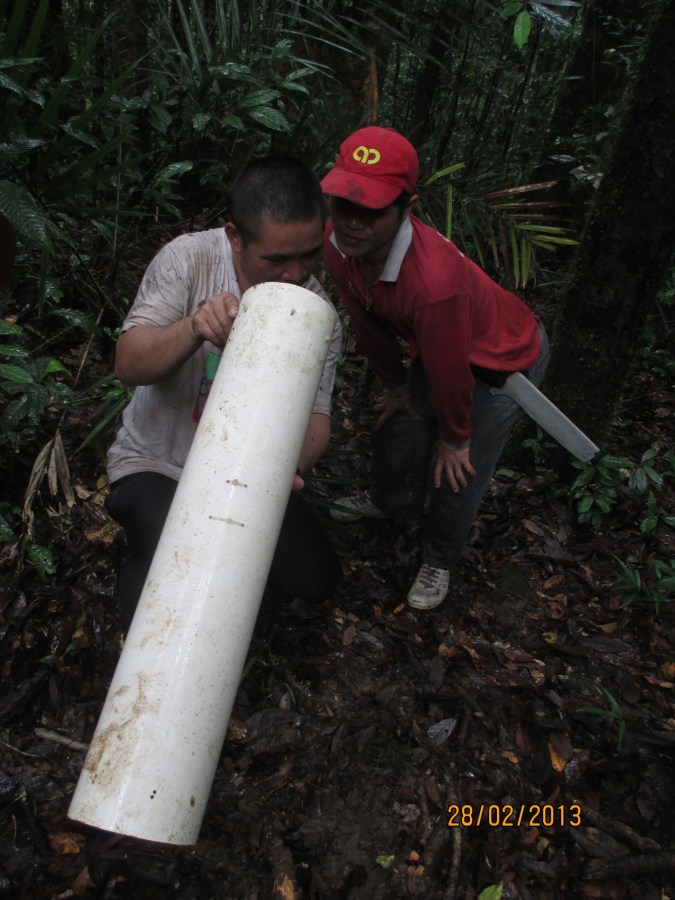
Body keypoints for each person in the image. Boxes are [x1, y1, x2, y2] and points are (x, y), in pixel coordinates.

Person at [105, 156, 343, 634]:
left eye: (310, 254)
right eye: (276, 259)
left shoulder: (317, 313)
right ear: (235, 237)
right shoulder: (190, 259)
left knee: (314, 579)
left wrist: (287, 466)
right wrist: (194, 327)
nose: (296, 274)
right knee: (159, 600)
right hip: (157, 465)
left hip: (246, 481)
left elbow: (317, 421)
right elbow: (129, 364)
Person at [321, 126, 549, 611]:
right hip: (437, 350)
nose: (353, 222)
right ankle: (389, 504)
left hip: (499, 362)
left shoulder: (434, 282)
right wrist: (398, 384)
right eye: (344, 204)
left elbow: (451, 372)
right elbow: (365, 318)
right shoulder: (339, 245)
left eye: (373, 209)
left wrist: (455, 438)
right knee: (398, 428)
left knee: (457, 471)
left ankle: (440, 556)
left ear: (408, 207)